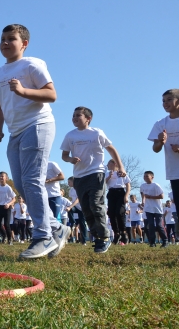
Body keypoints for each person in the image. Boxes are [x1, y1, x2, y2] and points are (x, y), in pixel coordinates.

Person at [0, 24, 68, 258]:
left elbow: (51, 94)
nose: (5, 42)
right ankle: (55, 228)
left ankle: (43, 237)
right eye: (2, 39)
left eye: (11, 39)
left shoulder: (32, 64)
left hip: (38, 124)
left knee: (33, 180)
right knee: (22, 185)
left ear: (24, 44)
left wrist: (23, 91)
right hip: (15, 133)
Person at [61, 106, 126, 253]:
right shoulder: (70, 136)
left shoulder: (97, 133)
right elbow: (64, 155)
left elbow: (111, 149)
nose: (75, 118)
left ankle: (105, 236)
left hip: (96, 173)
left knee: (96, 204)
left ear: (88, 118)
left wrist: (121, 167)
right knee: (86, 209)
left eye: (78, 115)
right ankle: (98, 237)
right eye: (73, 115)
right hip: (79, 177)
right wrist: (70, 159)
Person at [149, 89, 179, 222]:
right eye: (163, 101)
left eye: (169, 100)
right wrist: (160, 142)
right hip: (175, 172)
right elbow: (155, 149)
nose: (165, 103)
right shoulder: (160, 124)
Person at [105, 159, 131, 245]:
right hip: (111, 193)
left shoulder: (122, 173)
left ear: (114, 163)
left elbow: (128, 185)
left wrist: (126, 195)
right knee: (111, 214)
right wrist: (109, 176)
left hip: (120, 193)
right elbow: (103, 183)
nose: (107, 165)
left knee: (119, 212)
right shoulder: (107, 173)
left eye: (109, 163)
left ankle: (123, 232)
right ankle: (116, 233)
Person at [140, 171, 167, 247]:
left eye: (147, 176)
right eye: (144, 176)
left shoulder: (156, 185)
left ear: (152, 177)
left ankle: (165, 241)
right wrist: (143, 201)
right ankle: (152, 242)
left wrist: (151, 197)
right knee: (150, 225)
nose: (145, 178)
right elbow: (143, 194)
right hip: (148, 208)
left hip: (157, 208)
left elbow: (162, 196)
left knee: (158, 225)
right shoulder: (143, 186)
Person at [0, 172, 16, 245]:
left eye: (2, 176)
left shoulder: (8, 188)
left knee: (7, 224)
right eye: (0, 176)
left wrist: (9, 204)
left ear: (6, 178)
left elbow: (14, 199)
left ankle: (10, 240)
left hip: (7, 207)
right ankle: (4, 235)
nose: (1, 178)